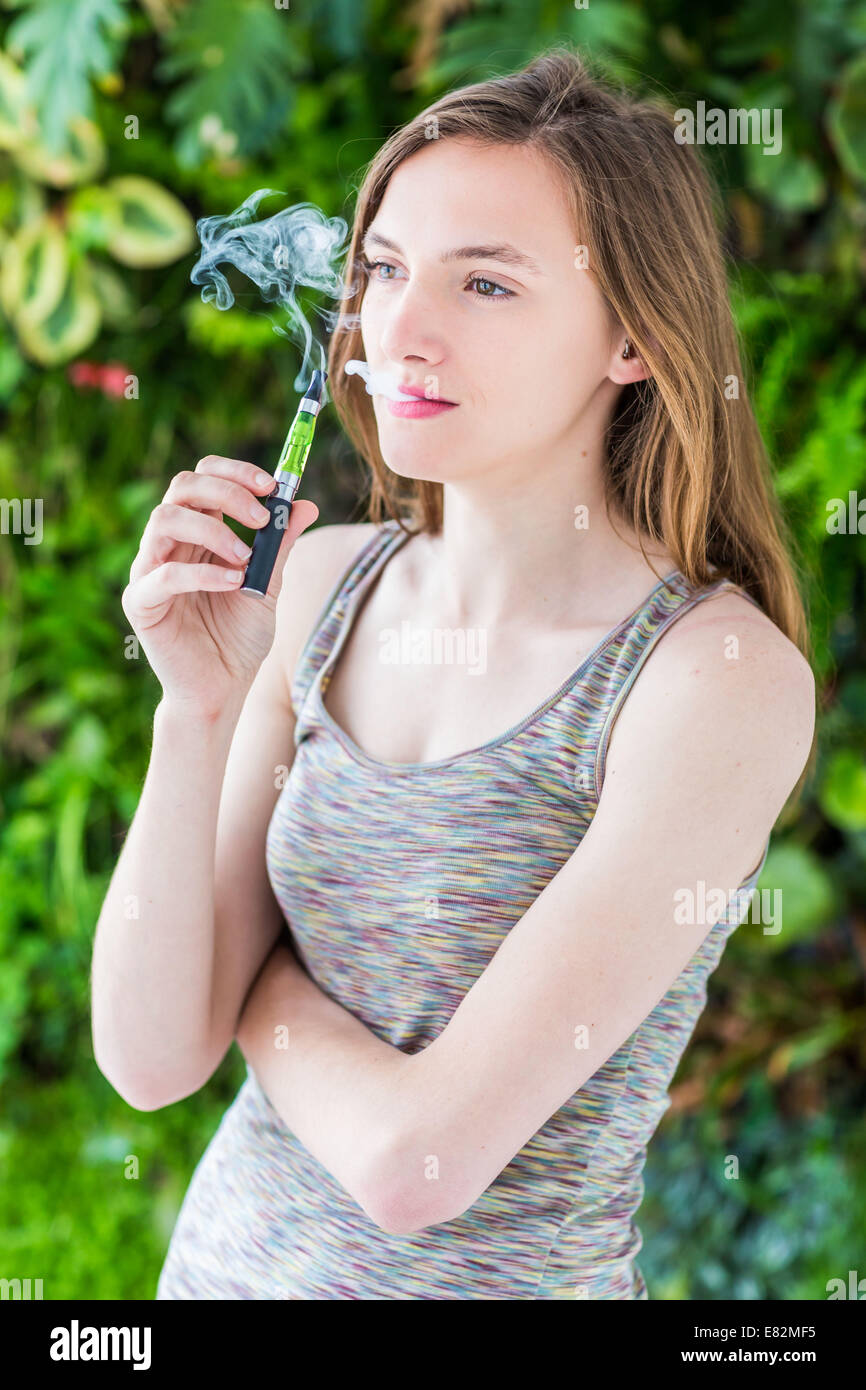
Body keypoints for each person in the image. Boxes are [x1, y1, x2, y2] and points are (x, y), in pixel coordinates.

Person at [91, 44, 816, 1300]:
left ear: (633, 339)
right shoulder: (318, 593)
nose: (398, 328)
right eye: (381, 269)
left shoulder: (711, 682)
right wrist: (195, 708)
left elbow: (417, 1166)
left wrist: (255, 990)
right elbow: (151, 1058)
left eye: (485, 284)